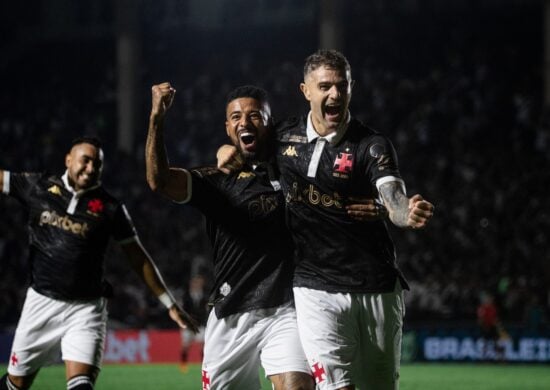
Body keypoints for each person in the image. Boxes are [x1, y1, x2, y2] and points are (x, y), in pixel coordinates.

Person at [218, 50, 434, 390]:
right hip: (313, 286)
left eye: (341, 86)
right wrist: (223, 150)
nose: (334, 94)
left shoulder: (371, 145)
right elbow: (245, 145)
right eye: (325, 87)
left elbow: (392, 195)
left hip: (375, 284)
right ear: (306, 91)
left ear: (351, 88)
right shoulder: (283, 137)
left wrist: (402, 211)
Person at [146, 83, 317, 390]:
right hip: (230, 314)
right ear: (227, 128)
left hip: (286, 308)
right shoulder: (216, 181)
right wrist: (157, 117)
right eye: (236, 116)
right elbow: (158, 181)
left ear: (269, 122)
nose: (244, 122)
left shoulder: (293, 167)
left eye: (254, 115)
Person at [0, 136, 198, 390]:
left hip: (86, 310)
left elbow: (138, 258)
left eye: (97, 164)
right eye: (86, 160)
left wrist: (169, 304)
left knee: (82, 386)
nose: (91, 168)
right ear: (68, 160)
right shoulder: (38, 187)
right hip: (41, 303)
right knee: (16, 384)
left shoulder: (110, 208)